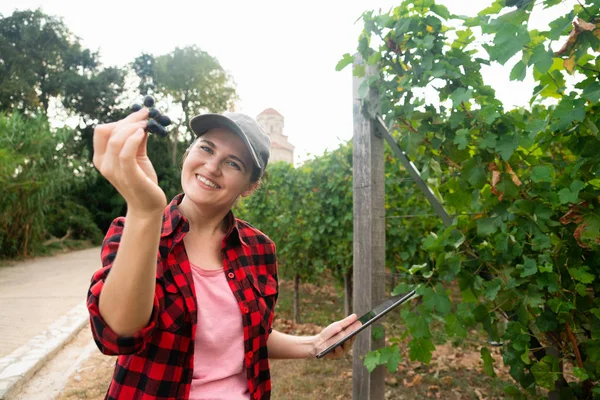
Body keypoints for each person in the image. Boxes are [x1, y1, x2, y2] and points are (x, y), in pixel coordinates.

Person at [87, 108, 361, 400]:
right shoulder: (133, 233)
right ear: (187, 153)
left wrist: (315, 344)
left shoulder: (259, 249)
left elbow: (250, 337)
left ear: (250, 186)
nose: (212, 166)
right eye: (206, 148)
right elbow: (117, 336)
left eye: (233, 163)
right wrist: (145, 211)